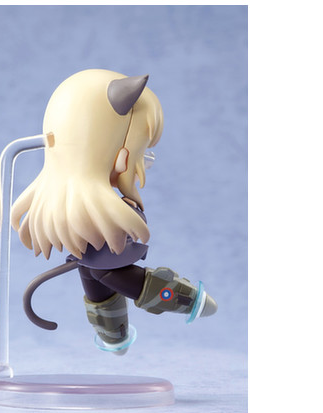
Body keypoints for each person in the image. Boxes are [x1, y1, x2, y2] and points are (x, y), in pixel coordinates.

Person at [11, 69, 216, 355]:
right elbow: (118, 275)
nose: (142, 163)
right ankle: (166, 307)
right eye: (141, 153)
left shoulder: (85, 207)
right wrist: (191, 300)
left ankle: (113, 334)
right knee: (103, 274)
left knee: (97, 274)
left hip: (96, 260)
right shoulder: (90, 210)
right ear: (120, 154)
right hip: (103, 263)